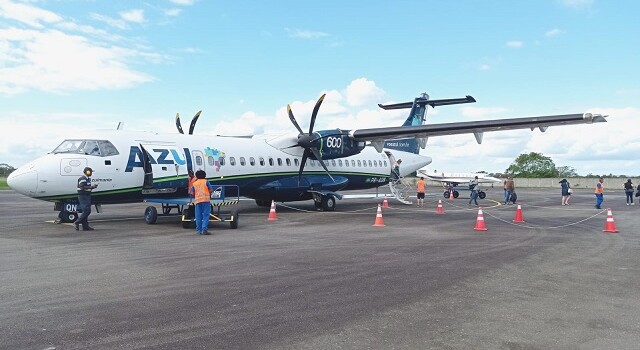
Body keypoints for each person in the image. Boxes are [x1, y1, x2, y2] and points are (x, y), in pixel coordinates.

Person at [189, 170, 214, 235]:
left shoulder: (194, 183)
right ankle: (204, 229)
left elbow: (191, 193)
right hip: (206, 200)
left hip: (197, 201)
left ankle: (198, 230)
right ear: (204, 175)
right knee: (206, 215)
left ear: (196, 176)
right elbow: (211, 190)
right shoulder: (206, 182)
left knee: (198, 216)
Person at [75, 167, 98, 231]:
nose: (91, 173)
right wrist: (91, 187)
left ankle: (85, 226)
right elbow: (82, 187)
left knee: (85, 211)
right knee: (87, 211)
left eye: (91, 172)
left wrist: (92, 187)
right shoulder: (83, 179)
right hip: (83, 196)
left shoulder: (87, 179)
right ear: (86, 172)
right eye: (89, 172)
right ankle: (77, 222)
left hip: (86, 195)